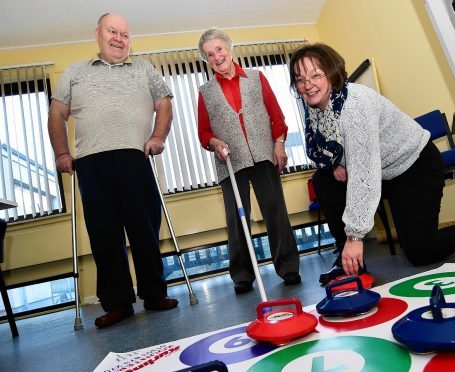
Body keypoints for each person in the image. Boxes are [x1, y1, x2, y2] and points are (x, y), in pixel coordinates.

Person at [288, 43, 455, 281]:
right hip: (384, 171)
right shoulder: (317, 109)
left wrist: (355, 236)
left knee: (421, 251)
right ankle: (348, 261)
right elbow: (327, 148)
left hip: (414, 165)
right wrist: (336, 164)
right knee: (322, 179)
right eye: (300, 79)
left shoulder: (355, 106)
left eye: (316, 75)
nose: (308, 85)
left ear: (332, 73)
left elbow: (364, 174)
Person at [48, 13, 178, 328]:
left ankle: (153, 293)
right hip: (91, 163)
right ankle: (118, 303)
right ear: (98, 34)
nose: (119, 38)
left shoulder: (145, 68)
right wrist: (62, 152)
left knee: (145, 229)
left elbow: (164, 104)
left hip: (135, 157)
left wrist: (158, 136)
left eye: (124, 34)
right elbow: (57, 113)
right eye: (112, 31)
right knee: (104, 234)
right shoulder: (76, 72)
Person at [197, 28, 301, 294]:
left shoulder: (256, 78)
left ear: (229, 48)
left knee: (276, 211)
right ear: (206, 59)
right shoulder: (205, 91)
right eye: (210, 54)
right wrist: (215, 143)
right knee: (236, 218)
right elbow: (204, 132)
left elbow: (276, 115)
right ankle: (242, 275)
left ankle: (288, 267)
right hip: (229, 161)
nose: (217, 56)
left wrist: (279, 143)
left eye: (219, 49)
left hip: (264, 153)